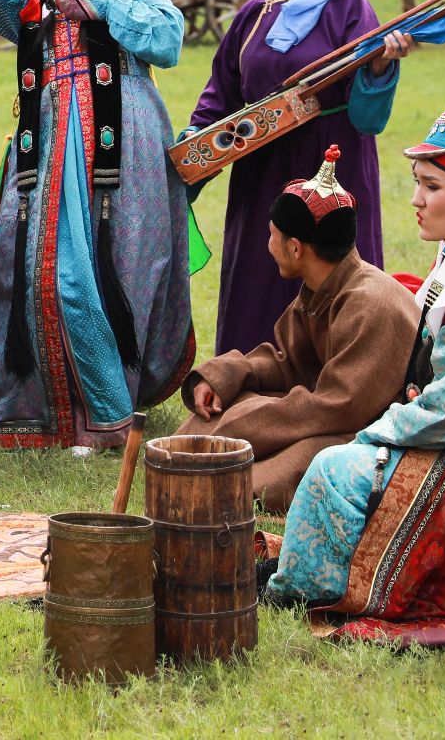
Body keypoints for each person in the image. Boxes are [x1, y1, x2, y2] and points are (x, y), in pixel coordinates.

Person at [265, 86, 445, 653]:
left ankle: (305, 590)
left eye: (432, 185)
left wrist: (380, 432)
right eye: (418, 182)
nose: (415, 199)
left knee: (335, 471)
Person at [0, 0, 193, 451]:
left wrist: (102, 8)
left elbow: (166, 39)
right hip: (45, 149)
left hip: (125, 148)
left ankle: (111, 409)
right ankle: (45, 408)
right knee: (39, 271)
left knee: (128, 267)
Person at [189, 0, 413, 355]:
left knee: (329, 270)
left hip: (331, 164)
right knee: (260, 267)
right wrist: (196, 140)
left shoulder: (352, 11)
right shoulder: (255, 13)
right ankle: (248, 380)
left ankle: (339, 382)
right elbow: (223, 91)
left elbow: (366, 115)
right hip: (264, 168)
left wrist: (379, 68)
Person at [178, 147, 418, 511]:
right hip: (329, 412)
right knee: (224, 409)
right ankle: (205, 457)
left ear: (294, 248)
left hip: (367, 432)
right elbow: (288, 362)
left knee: (266, 474)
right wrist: (224, 376)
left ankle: (221, 469)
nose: (267, 245)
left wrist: (245, 424)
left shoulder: (371, 303)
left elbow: (340, 406)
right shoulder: (326, 284)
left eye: (272, 235)